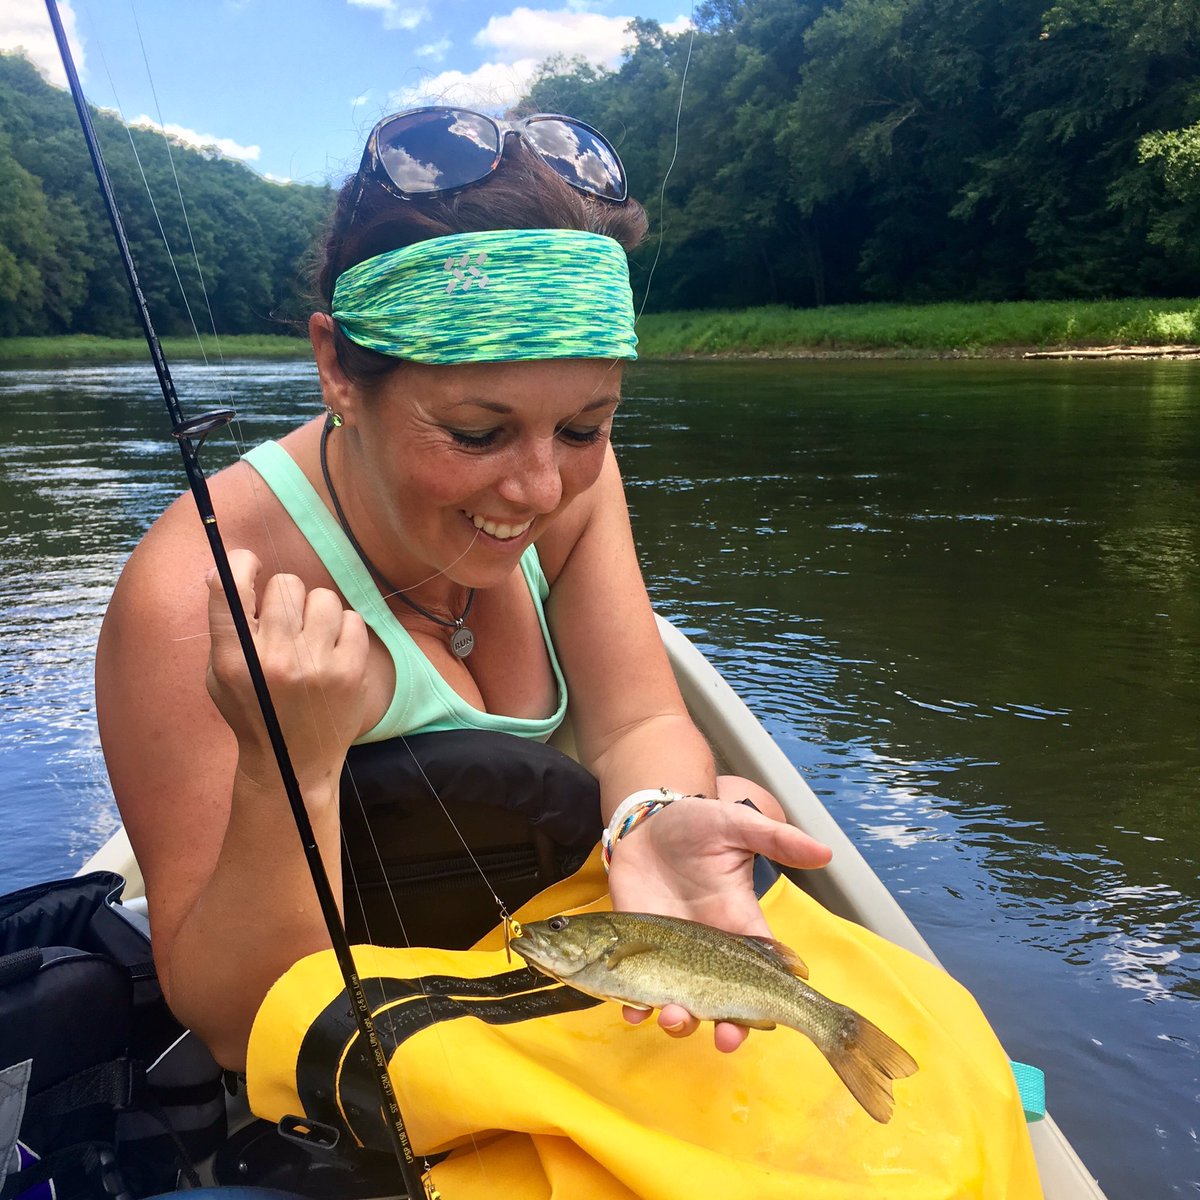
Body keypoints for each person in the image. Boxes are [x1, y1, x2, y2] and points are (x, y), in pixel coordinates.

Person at [94, 107, 833, 1073]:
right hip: (357, 1058)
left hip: (579, 976)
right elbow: (238, 1026)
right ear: (338, 368)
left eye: (585, 426)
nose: (541, 490)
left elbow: (637, 720)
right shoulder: (192, 589)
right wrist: (290, 769)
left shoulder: (576, 484)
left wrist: (652, 816)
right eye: (479, 434)